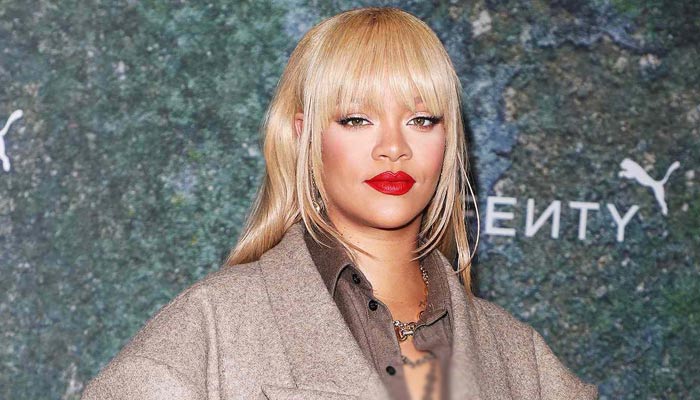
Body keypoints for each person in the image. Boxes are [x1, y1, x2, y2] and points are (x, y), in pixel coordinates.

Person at [81, 6, 598, 400]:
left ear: (448, 140)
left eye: (421, 119)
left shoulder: (524, 360)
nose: (393, 147)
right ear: (304, 135)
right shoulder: (213, 325)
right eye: (357, 119)